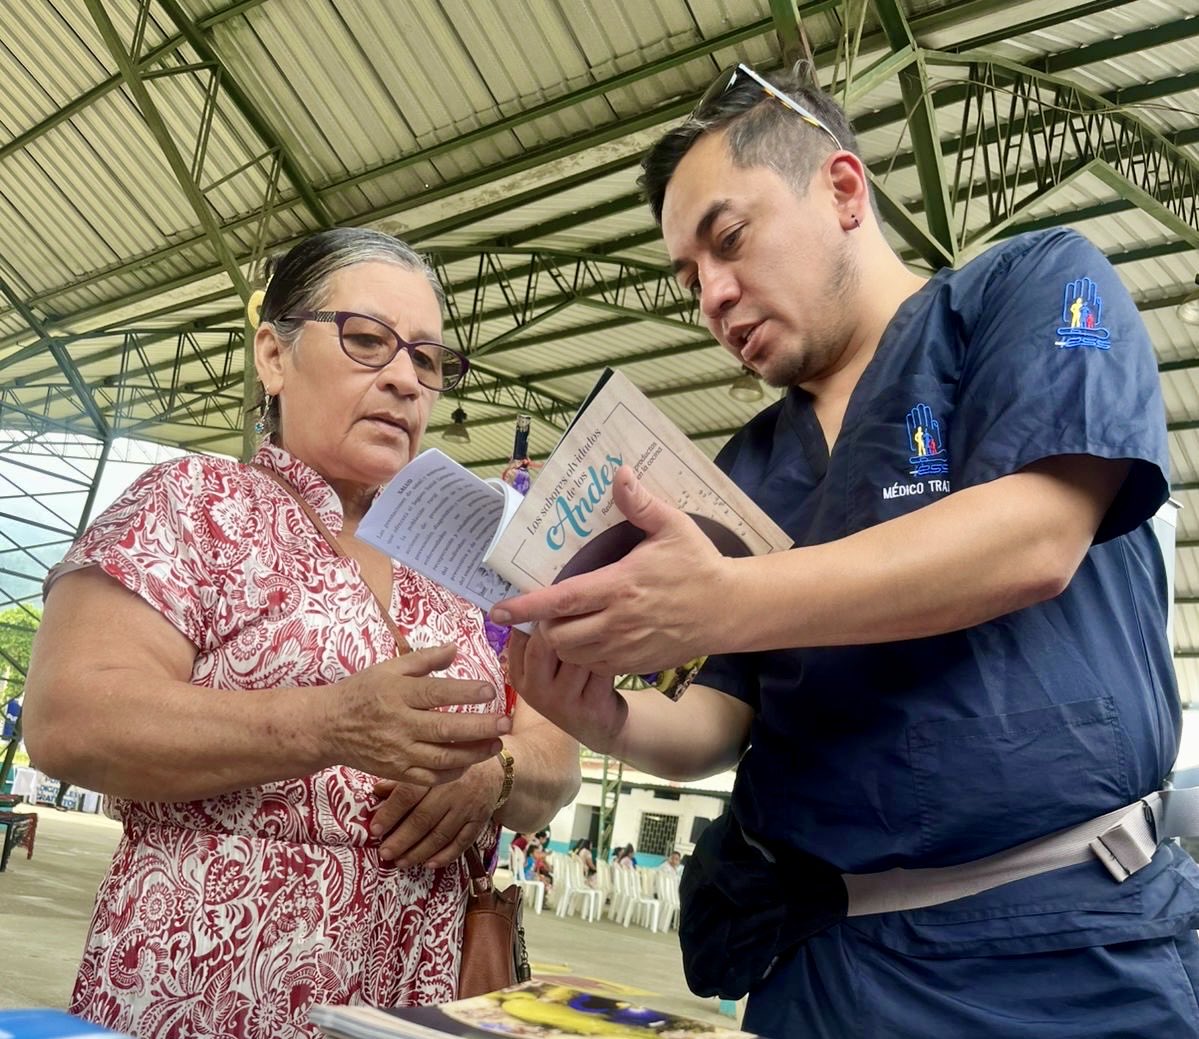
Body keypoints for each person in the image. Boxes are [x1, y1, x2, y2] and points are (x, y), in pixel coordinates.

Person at [495, 62, 1199, 1038]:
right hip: (822, 968)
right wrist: (606, 718)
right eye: (687, 276)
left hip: (1059, 950)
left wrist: (721, 600)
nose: (712, 293)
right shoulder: (746, 464)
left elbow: (1033, 537)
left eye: (727, 240)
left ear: (839, 188)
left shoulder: (1026, 292)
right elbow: (715, 719)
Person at [22, 227, 581, 1039]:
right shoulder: (196, 502)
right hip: (204, 998)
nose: (403, 378)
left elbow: (555, 752)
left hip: (411, 1003)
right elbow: (69, 717)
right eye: (366, 340)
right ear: (273, 357)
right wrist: (328, 723)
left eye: (427, 360)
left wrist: (490, 775)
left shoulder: (472, 562)